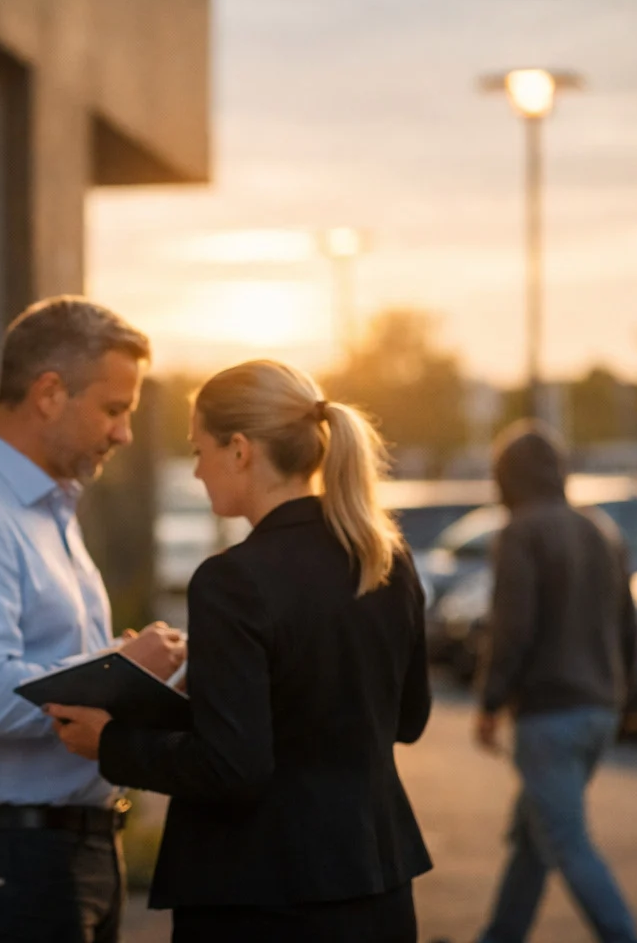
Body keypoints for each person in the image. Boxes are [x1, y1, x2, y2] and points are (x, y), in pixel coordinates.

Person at [48, 359, 433, 943]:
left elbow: (234, 767)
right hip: (375, 884)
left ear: (240, 450)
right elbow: (406, 719)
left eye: (199, 450)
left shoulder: (233, 581)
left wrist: (110, 742)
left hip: (261, 897)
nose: (197, 471)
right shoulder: (385, 557)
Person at [0, 297, 186, 943]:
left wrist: (121, 668)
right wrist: (119, 671)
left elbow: (38, 667)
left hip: (54, 855)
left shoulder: (43, 508)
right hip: (9, 863)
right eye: (114, 410)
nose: (124, 434)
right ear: (49, 393)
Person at [470, 421, 637, 943]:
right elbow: (629, 624)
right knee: (534, 838)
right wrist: (619, 694)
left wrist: (490, 702)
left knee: (565, 841)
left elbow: (512, 628)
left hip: (550, 716)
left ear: (507, 478)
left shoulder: (521, 531)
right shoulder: (599, 528)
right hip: (600, 709)